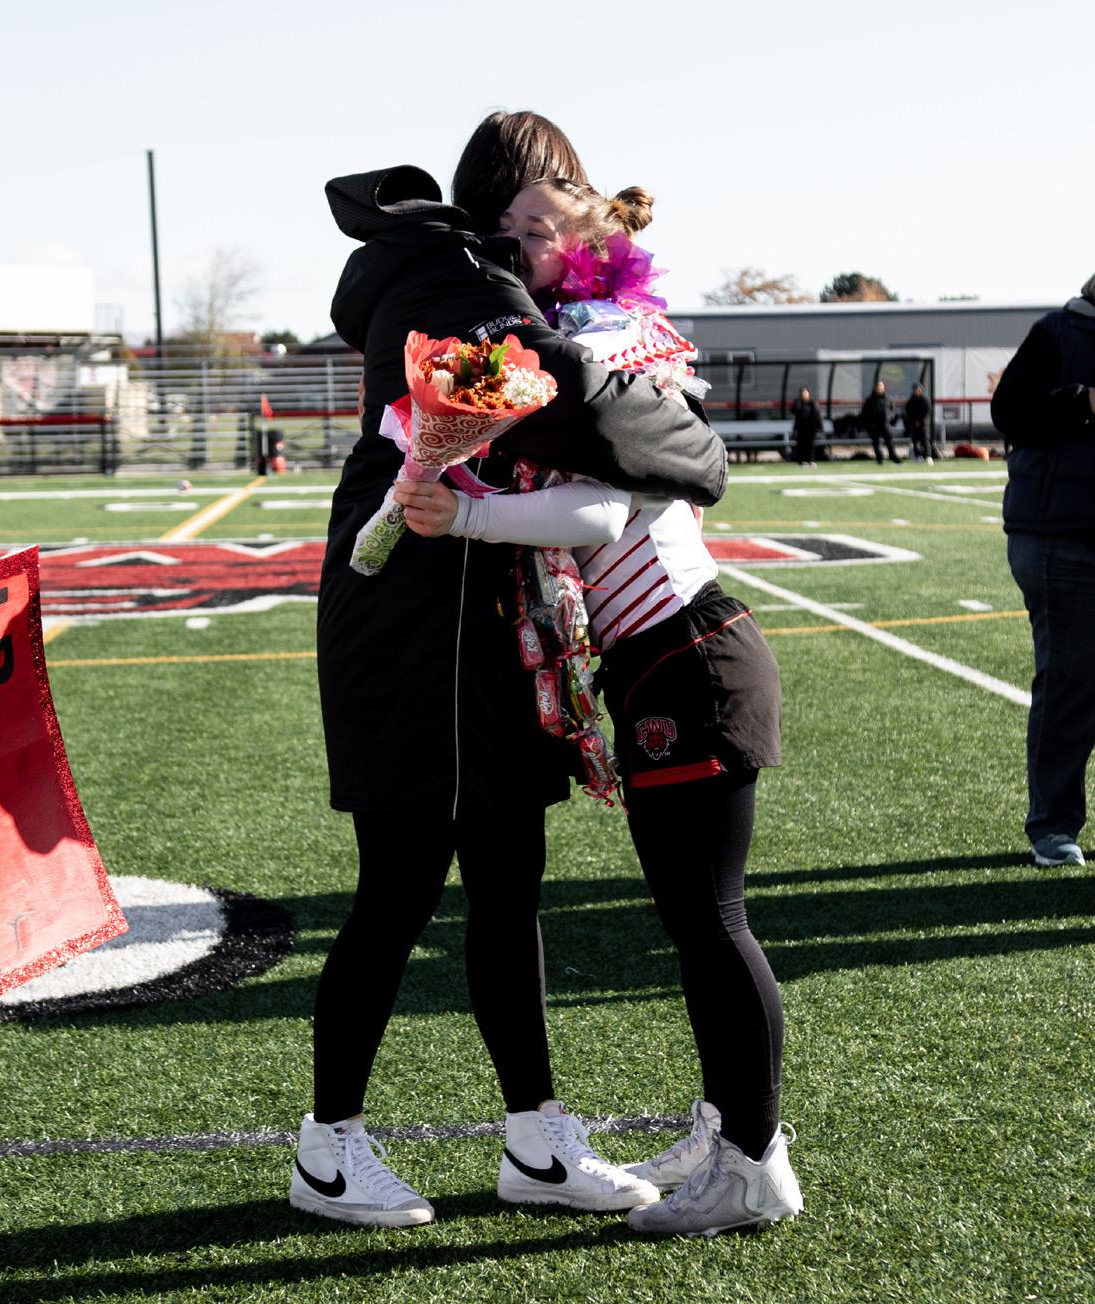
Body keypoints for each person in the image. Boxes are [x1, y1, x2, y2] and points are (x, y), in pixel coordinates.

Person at [292, 112, 728, 1229]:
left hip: (480, 621)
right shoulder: (453, 274)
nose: (565, 238)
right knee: (399, 888)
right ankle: (327, 1146)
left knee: (507, 882)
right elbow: (576, 406)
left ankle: (536, 1138)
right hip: (413, 626)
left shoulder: (480, 274)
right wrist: (694, 446)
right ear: (505, 206)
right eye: (547, 211)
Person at [396, 177, 803, 1237]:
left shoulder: (598, 338)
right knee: (697, 922)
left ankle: (754, 1164)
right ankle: (727, 1130)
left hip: (688, 654)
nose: (515, 243)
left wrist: (462, 517)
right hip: (664, 659)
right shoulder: (565, 341)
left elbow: (597, 511)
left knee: (712, 922)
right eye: (507, 227)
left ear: (585, 249)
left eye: (537, 230)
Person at [992, 272, 1095, 869]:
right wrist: (1083, 402)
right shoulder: (1059, 331)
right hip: (1062, 534)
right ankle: (1054, 825)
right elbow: (1008, 411)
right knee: (1071, 681)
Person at [859, 379, 901, 463]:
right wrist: (869, 422)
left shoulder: (888, 398)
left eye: (881, 386)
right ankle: (879, 459)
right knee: (876, 442)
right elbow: (864, 412)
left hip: (885, 424)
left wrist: (890, 416)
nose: (879, 388)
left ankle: (893, 457)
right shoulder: (870, 399)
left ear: (883, 388)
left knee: (889, 441)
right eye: (878, 387)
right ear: (875, 388)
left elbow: (893, 410)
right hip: (874, 425)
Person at [790, 386, 823, 467]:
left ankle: (810, 460)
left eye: (806, 393)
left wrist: (819, 426)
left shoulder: (812, 403)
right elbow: (794, 410)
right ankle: (802, 461)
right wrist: (799, 402)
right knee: (801, 445)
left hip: (811, 428)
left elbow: (817, 414)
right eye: (803, 393)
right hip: (801, 428)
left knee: (810, 445)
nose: (804, 394)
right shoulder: (798, 402)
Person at [904, 382, 934, 463]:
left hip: (923, 424)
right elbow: (908, 412)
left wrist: (921, 421)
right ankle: (918, 456)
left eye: (918, 389)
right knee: (915, 441)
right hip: (914, 424)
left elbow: (927, 412)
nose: (917, 391)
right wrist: (913, 422)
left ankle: (928, 457)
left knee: (925, 440)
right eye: (915, 389)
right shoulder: (911, 401)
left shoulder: (925, 399)